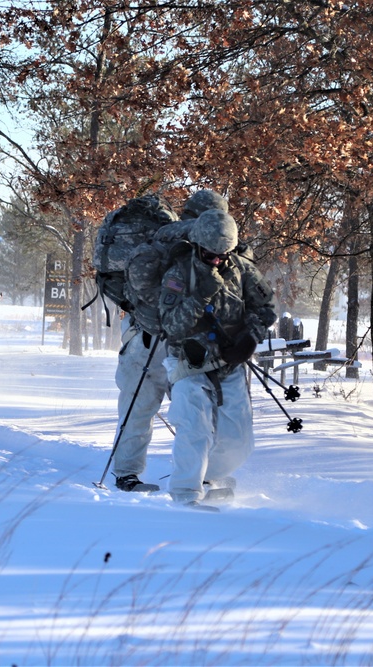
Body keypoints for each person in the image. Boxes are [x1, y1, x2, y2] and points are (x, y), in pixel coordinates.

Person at [110, 189, 229, 492]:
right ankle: (200, 476)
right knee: (196, 411)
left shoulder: (167, 237)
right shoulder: (188, 239)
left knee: (138, 409)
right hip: (171, 339)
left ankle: (127, 475)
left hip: (146, 335)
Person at [158, 209, 276, 509]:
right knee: (193, 428)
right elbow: (171, 324)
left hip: (229, 365)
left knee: (238, 442)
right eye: (211, 255)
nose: (217, 261)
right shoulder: (178, 274)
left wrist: (250, 337)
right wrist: (201, 297)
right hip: (189, 364)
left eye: (223, 255)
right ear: (197, 245)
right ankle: (185, 495)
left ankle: (210, 478)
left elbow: (265, 308)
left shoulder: (242, 270)